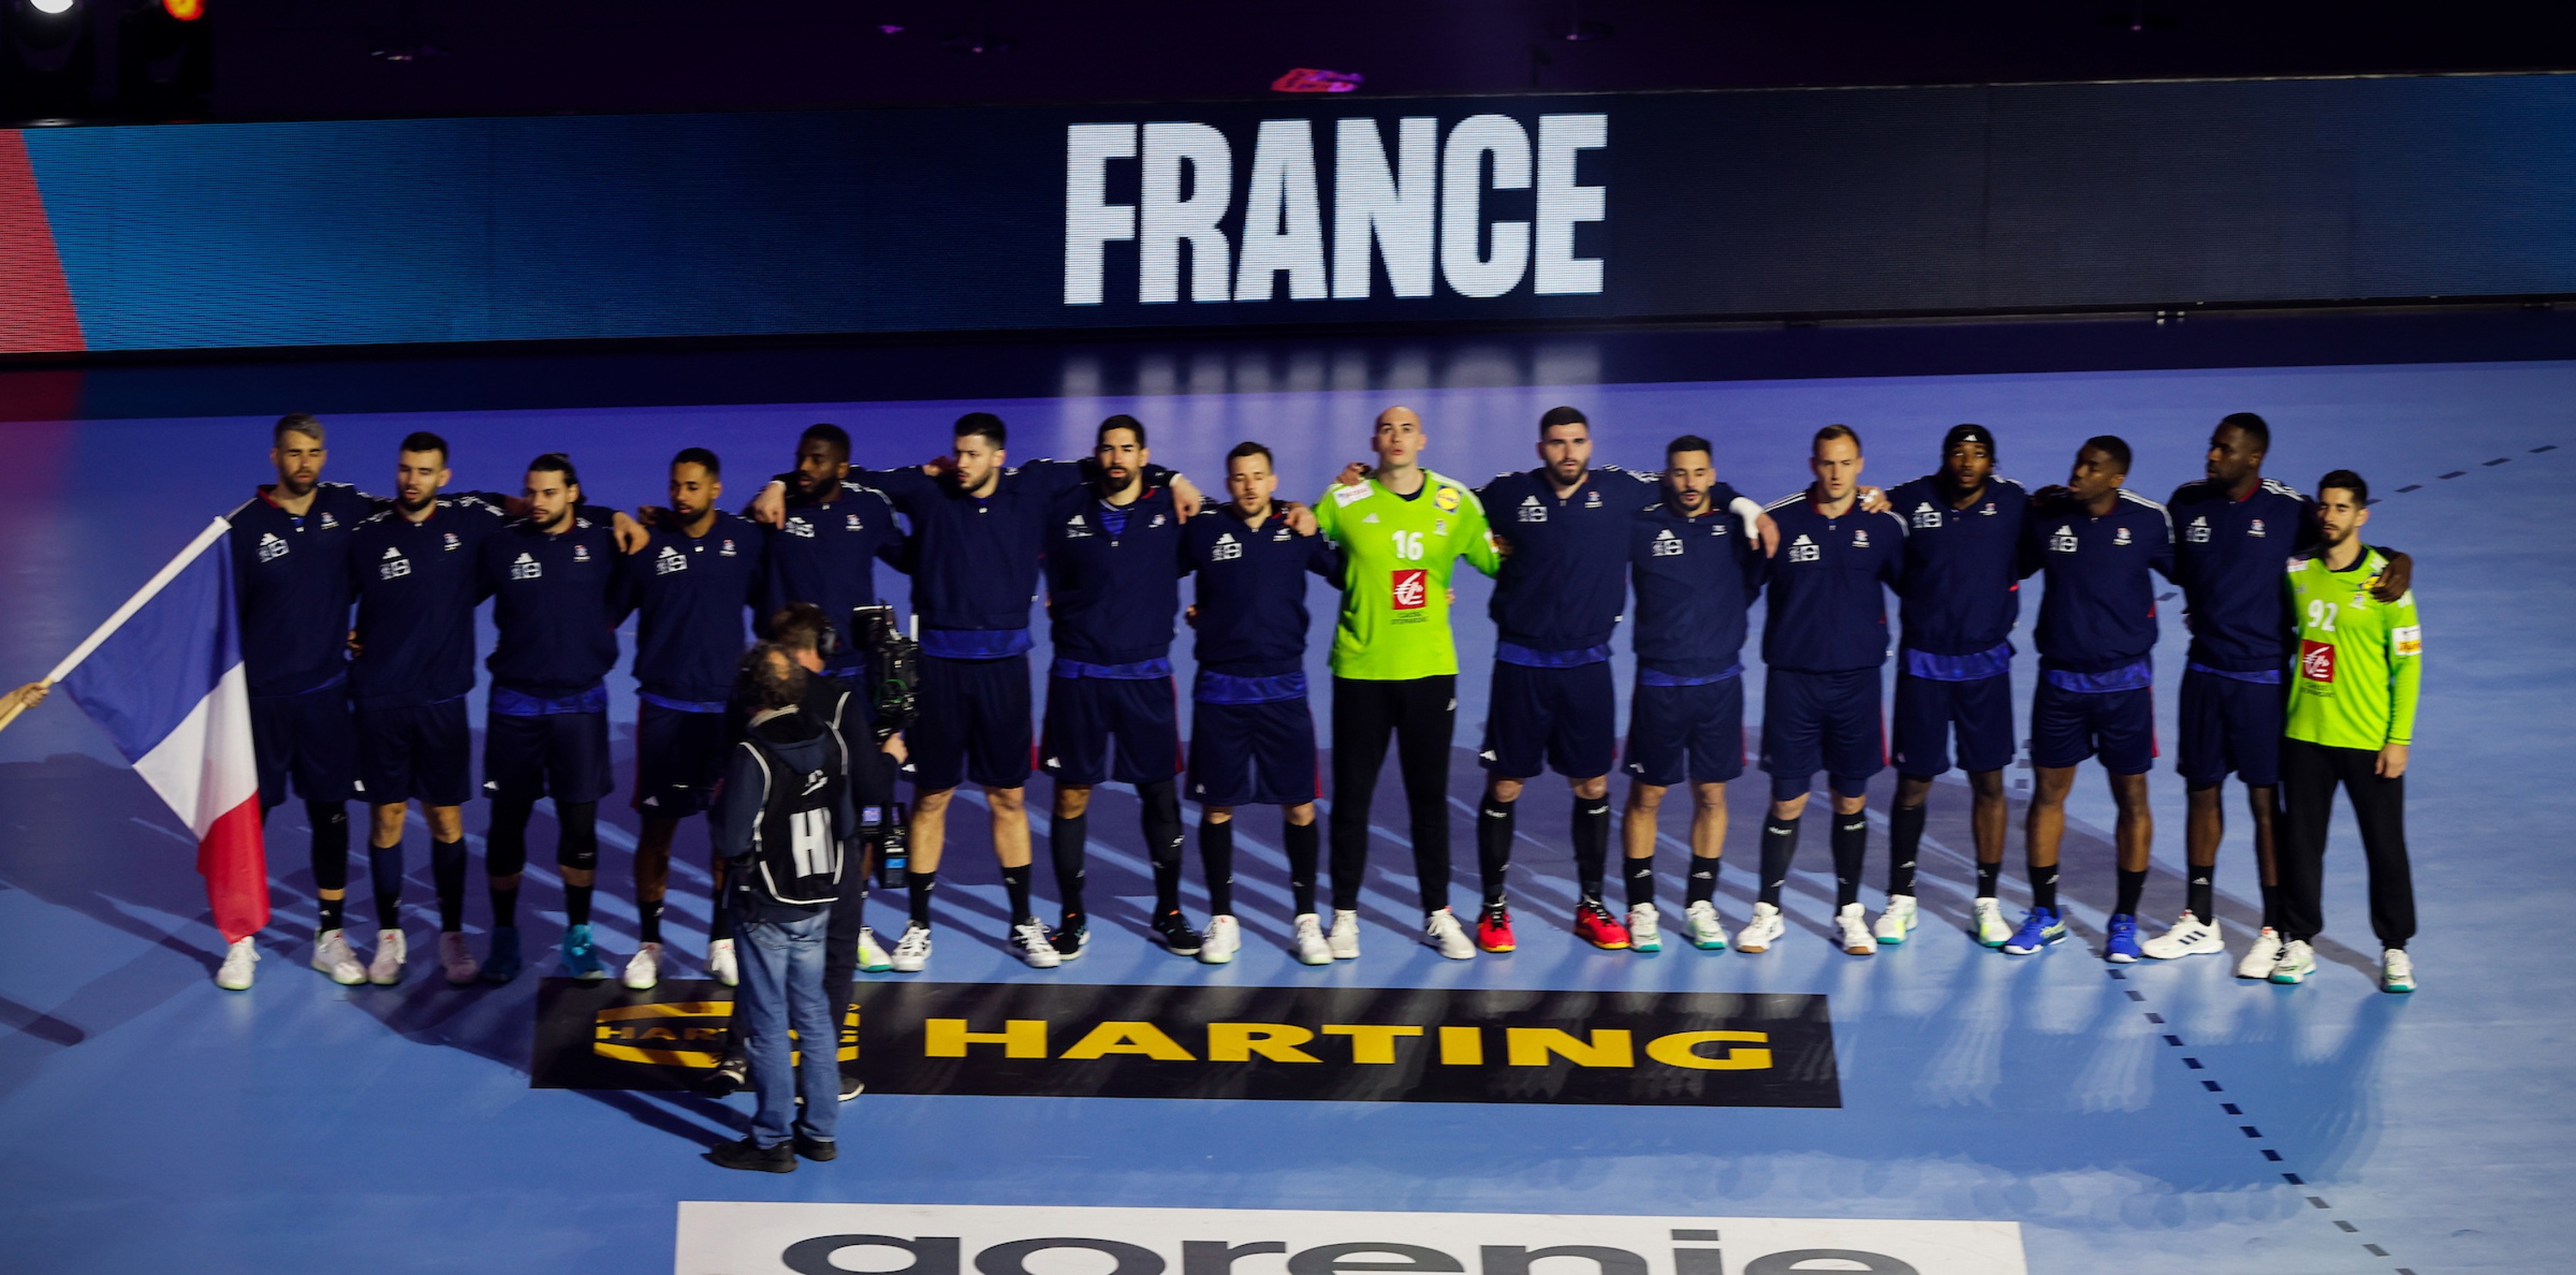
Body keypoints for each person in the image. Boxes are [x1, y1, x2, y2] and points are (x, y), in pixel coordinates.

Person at [755, 413, 1200, 972]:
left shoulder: (1033, 484)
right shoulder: (926, 488)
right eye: (956, 452)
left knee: (1007, 797)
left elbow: (1111, 462)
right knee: (932, 798)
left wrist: (1176, 476)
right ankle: (919, 925)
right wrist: (777, 480)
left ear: (997, 458)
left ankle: (1021, 921)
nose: (958, 463)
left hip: (1006, 671)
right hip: (939, 670)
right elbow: (840, 474)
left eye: (970, 454)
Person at [2156, 414, 2412, 973]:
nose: (2210, 455)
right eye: (2211, 446)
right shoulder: (2187, 502)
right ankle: (2199, 916)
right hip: (2203, 673)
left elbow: (2341, 544)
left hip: (2263, 678)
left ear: (2254, 457)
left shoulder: (2289, 508)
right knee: (2201, 790)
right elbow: (2160, 556)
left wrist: (2398, 559)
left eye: (2223, 449)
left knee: (2265, 804)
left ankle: (2275, 926)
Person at [1469, 407, 1662, 953]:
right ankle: (1493, 910)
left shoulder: (1622, 490)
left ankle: (1592, 905)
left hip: (1588, 667)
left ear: (1590, 445)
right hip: (1521, 665)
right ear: (1541, 449)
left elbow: (1695, 485)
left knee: (1593, 786)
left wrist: (1748, 508)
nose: (1568, 452)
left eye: (1577, 442)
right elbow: (1440, 508)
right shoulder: (1509, 494)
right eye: (1557, 443)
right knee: (1505, 785)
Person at [1312, 405, 1501, 960]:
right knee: (1351, 799)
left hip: (1429, 669)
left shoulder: (1455, 501)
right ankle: (1343, 917)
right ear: (1375, 439)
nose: (1397, 437)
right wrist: (1348, 576)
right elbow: (1298, 542)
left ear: (1423, 438)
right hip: (1361, 669)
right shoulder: (1345, 498)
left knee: (1429, 800)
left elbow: (1499, 560)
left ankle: (1438, 914)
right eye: (1387, 428)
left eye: (1407, 428)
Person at [346, 432, 511, 986]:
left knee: (446, 819)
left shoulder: (469, 521)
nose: (411, 480)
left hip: (442, 699)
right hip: (381, 698)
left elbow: (532, 507)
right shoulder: (367, 534)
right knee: (387, 817)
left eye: (423, 471)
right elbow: (325, 589)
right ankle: (390, 936)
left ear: (443, 476)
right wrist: (343, 631)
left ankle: (452, 934)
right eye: (404, 470)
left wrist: (618, 518)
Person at [2006, 435, 2176, 961]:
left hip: (2124, 686)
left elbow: (2202, 572)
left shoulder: (2148, 521)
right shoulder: (2048, 516)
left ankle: (2124, 919)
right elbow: (2001, 563)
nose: (2077, 472)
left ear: (2115, 478)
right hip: (2060, 683)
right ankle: (2044, 913)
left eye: (2092, 466)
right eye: (2078, 461)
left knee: (2132, 800)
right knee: (2048, 797)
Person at [229, 413, 380, 987]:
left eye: (314, 451)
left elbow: (412, 518)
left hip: (324, 695)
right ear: (274, 457)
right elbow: (221, 617)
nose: (305, 463)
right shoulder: (242, 527)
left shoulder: (347, 508)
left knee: (330, 814)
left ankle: (329, 935)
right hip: (262, 701)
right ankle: (240, 938)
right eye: (294, 453)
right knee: (251, 822)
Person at [1745, 425, 1908, 956]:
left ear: (1860, 464)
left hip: (1858, 683)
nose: (1836, 474)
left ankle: (1849, 914)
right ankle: (1768, 912)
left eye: (1845, 463)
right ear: (1813, 464)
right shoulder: (1781, 520)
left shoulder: (1882, 526)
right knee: (1787, 799)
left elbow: (1917, 584)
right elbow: (1739, 585)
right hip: (1793, 681)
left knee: (1851, 799)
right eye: (1826, 463)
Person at [1038, 416, 1196, 959]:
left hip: (1145, 676)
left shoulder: (1172, 511)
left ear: (1144, 456)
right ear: (1096, 455)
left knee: (1158, 792)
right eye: (1107, 450)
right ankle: (1072, 917)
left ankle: (1169, 911)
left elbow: (1245, 528)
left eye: (1127, 450)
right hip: (1078, 674)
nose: (1117, 460)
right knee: (1072, 793)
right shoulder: (1062, 508)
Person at [1182, 441, 1340, 964]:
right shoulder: (1204, 530)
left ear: (1273, 482)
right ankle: (1223, 920)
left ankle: (1306, 920)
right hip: (1220, 688)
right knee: (1218, 805)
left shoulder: (1295, 529)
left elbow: (1348, 571)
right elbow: (1149, 569)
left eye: (1258, 477)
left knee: (1298, 804)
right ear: (1229, 484)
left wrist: (1431, 590)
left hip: (1283, 688)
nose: (1249, 485)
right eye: (1239, 478)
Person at [477, 452, 632, 981]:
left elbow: (637, 574)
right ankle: (503, 937)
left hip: (581, 705)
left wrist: (595, 633)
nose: (538, 502)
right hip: (515, 704)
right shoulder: (502, 544)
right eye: (531, 492)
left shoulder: (603, 539)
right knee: (506, 826)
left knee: (579, 828)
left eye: (549, 492)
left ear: (572, 493)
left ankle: (579, 936)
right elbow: (444, 594)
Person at [2269, 471, 2421, 993]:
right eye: (2325, 508)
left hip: (2367, 741)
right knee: (2302, 845)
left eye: (2341, 509)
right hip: (2307, 736)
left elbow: (2408, 667)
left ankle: (2395, 948)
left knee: (2384, 847)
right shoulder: (2299, 570)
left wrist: (2397, 739)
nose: (2330, 517)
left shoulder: (2387, 583)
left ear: (2362, 516)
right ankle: (2300, 940)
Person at [621, 447, 766, 989]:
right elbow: (607, 611)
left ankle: (721, 938)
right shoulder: (646, 543)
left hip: (726, 714)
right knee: (656, 831)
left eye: (692, 487)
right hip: (664, 708)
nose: (680, 496)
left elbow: (771, 594)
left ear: (716, 490)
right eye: (675, 486)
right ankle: (649, 944)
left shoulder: (745, 539)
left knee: (727, 834)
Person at [1880, 425, 2029, 949]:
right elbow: (1886, 553)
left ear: (1992, 460)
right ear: (1944, 458)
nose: (1967, 463)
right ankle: (1901, 897)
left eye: (1979, 454)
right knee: (1913, 783)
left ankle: (1985, 901)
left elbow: (2027, 557)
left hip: (1985, 667)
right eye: (1958, 454)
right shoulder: (1909, 499)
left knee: (1989, 784)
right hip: (1924, 664)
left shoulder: (2014, 503)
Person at [704, 644, 849, 1174]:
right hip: (819, 897)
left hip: (767, 903)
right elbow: (847, 820)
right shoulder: (828, 739)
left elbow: (731, 836)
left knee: (766, 1023)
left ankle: (771, 1140)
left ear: (748, 690)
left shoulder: (753, 753)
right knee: (811, 1013)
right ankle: (821, 1132)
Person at [1618, 434, 1762, 953]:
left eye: (1699, 473)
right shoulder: (1640, 524)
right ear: (1666, 475)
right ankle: (1641, 908)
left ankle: (1700, 904)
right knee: (1647, 795)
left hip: (1721, 684)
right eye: (1680, 473)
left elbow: (1755, 577)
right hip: (1660, 684)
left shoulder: (1731, 526)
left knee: (1712, 794)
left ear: (1712, 474)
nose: (1690, 483)